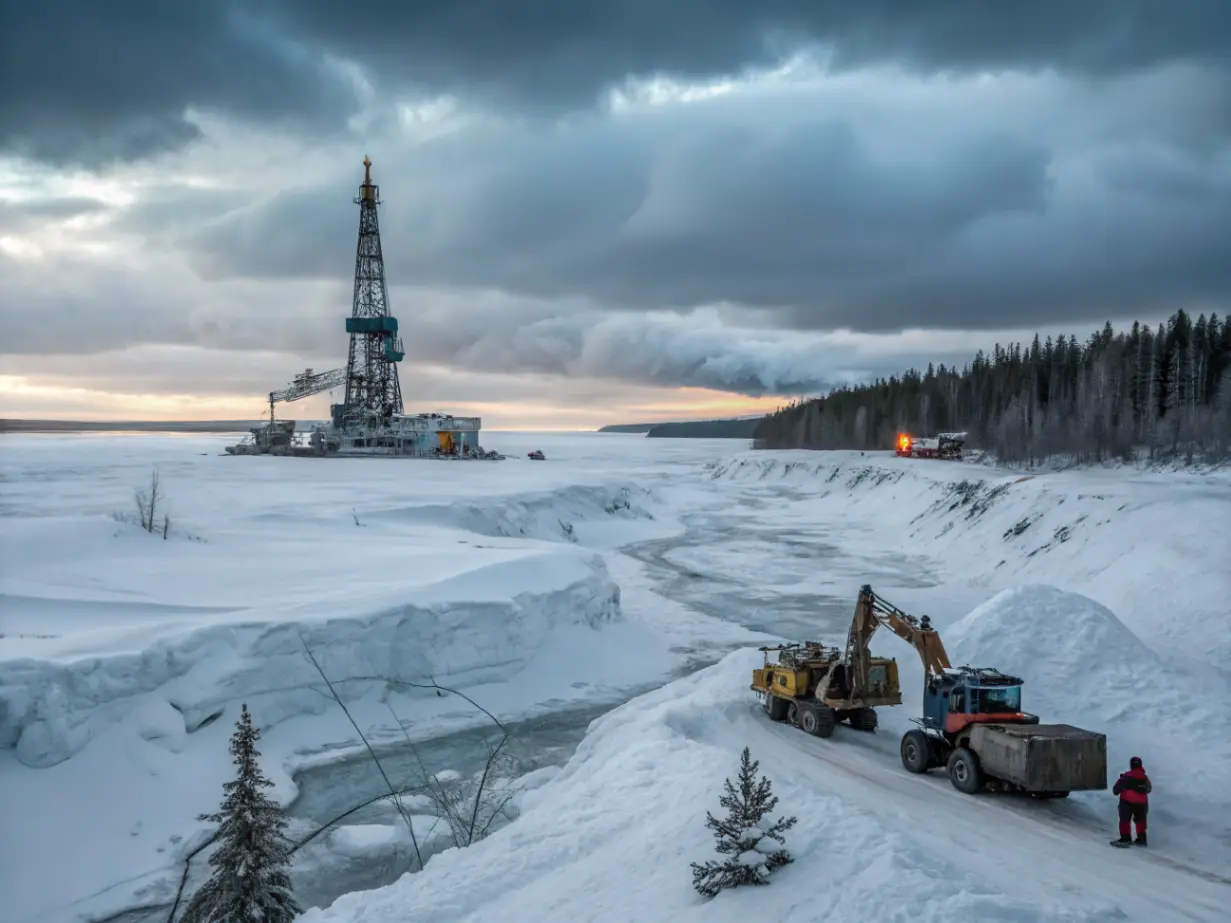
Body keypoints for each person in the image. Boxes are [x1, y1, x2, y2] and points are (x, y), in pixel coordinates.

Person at [1113, 756, 1151, 846]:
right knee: (1140, 820)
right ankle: (1141, 838)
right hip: (1142, 803)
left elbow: (1115, 790)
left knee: (1125, 819)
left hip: (1127, 802)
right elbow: (1149, 789)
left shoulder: (1126, 776)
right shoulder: (1144, 777)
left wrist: (1120, 790)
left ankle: (1125, 838)